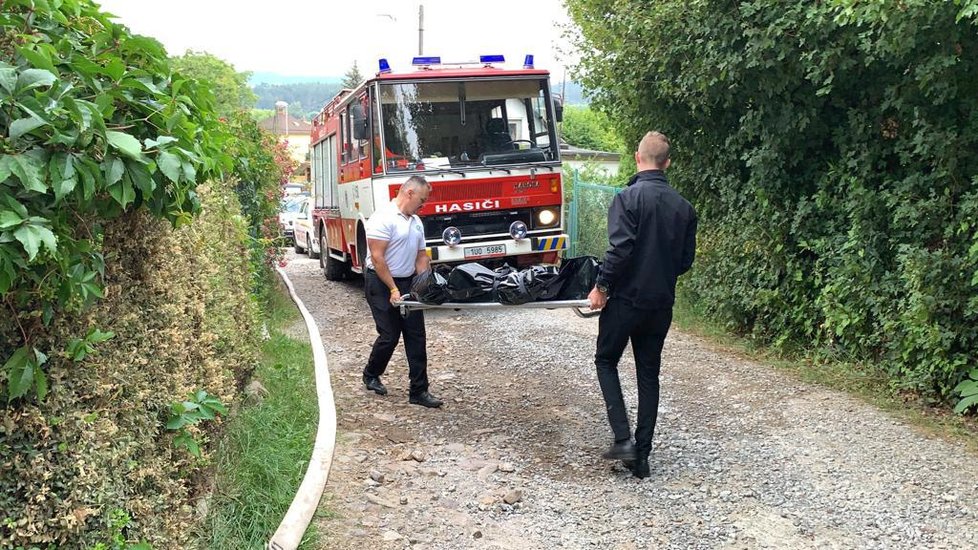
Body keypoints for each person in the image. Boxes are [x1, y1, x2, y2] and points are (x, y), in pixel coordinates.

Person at [587, 131, 697, 478]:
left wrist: (601, 285)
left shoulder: (628, 198)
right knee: (649, 375)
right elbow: (684, 262)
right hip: (660, 304)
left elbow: (619, 249)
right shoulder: (685, 208)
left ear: (638, 158)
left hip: (626, 301)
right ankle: (643, 455)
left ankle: (623, 439)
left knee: (606, 360)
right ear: (668, 163)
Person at [362, 175, 443, 408]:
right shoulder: (383, 218)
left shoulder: (416, 222)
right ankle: (371, 373)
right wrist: (393, 288)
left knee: (416, 336)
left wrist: (425, 284)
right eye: (422, 199)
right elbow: (377, 258)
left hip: (407, 281)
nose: (423, 204)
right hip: (380, 281)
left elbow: (420, 256)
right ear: (409, 193)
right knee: (390, 335)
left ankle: (419, 391)